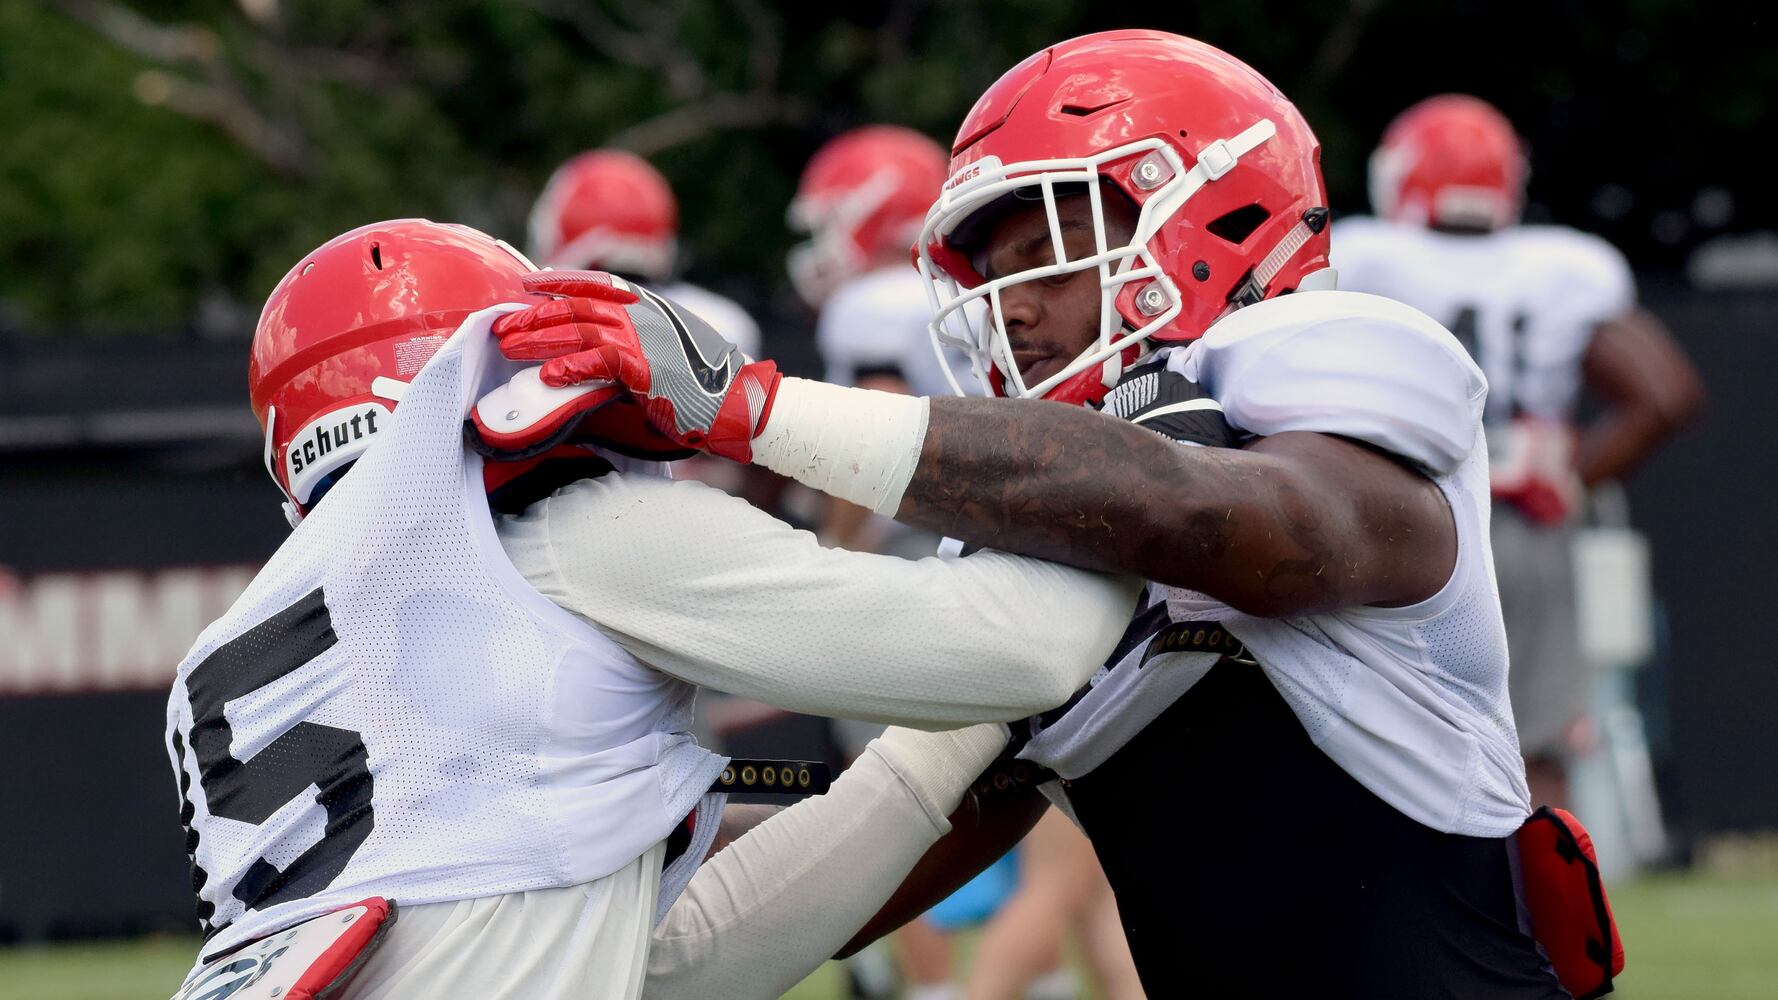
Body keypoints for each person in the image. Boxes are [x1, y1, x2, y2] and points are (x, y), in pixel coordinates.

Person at [490, 29, 1575, 997]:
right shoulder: (1043, 545)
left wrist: (757, 411)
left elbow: (1207, 514)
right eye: (991, 270)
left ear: (1204, 211)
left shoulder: (1328, 364)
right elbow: (843, 856)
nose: (1009, 304)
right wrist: (535, 883)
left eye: (1046, 249)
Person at [165, 219, 1138, 999]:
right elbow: (1030, 647)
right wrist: (1154, 470)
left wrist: (933, 765)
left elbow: (644, 963)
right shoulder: (573, 540)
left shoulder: (219, 661)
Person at [1332, 94, 1704, 808]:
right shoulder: (1563, 266)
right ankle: (1551, 915)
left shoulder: (1364, 256)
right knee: (1535, 747)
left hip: (1400, 514)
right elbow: (1665, 395)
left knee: (1381, 737)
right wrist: (1569, 477)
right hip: (1524, 527)